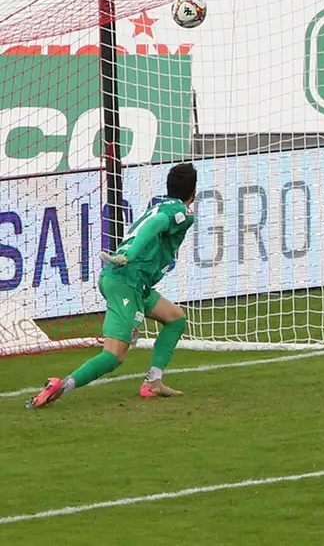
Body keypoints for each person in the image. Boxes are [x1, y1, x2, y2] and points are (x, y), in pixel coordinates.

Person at [27, 163, 197, 408]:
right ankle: (62, 385)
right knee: (114, 355)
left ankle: (154, 382)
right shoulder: (179, 212)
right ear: (193, 190)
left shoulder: (161, 204)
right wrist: (131, 255)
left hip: (133, 283)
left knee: (176, 318)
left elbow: (155, 222)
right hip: (127, 281)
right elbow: (156, 224)